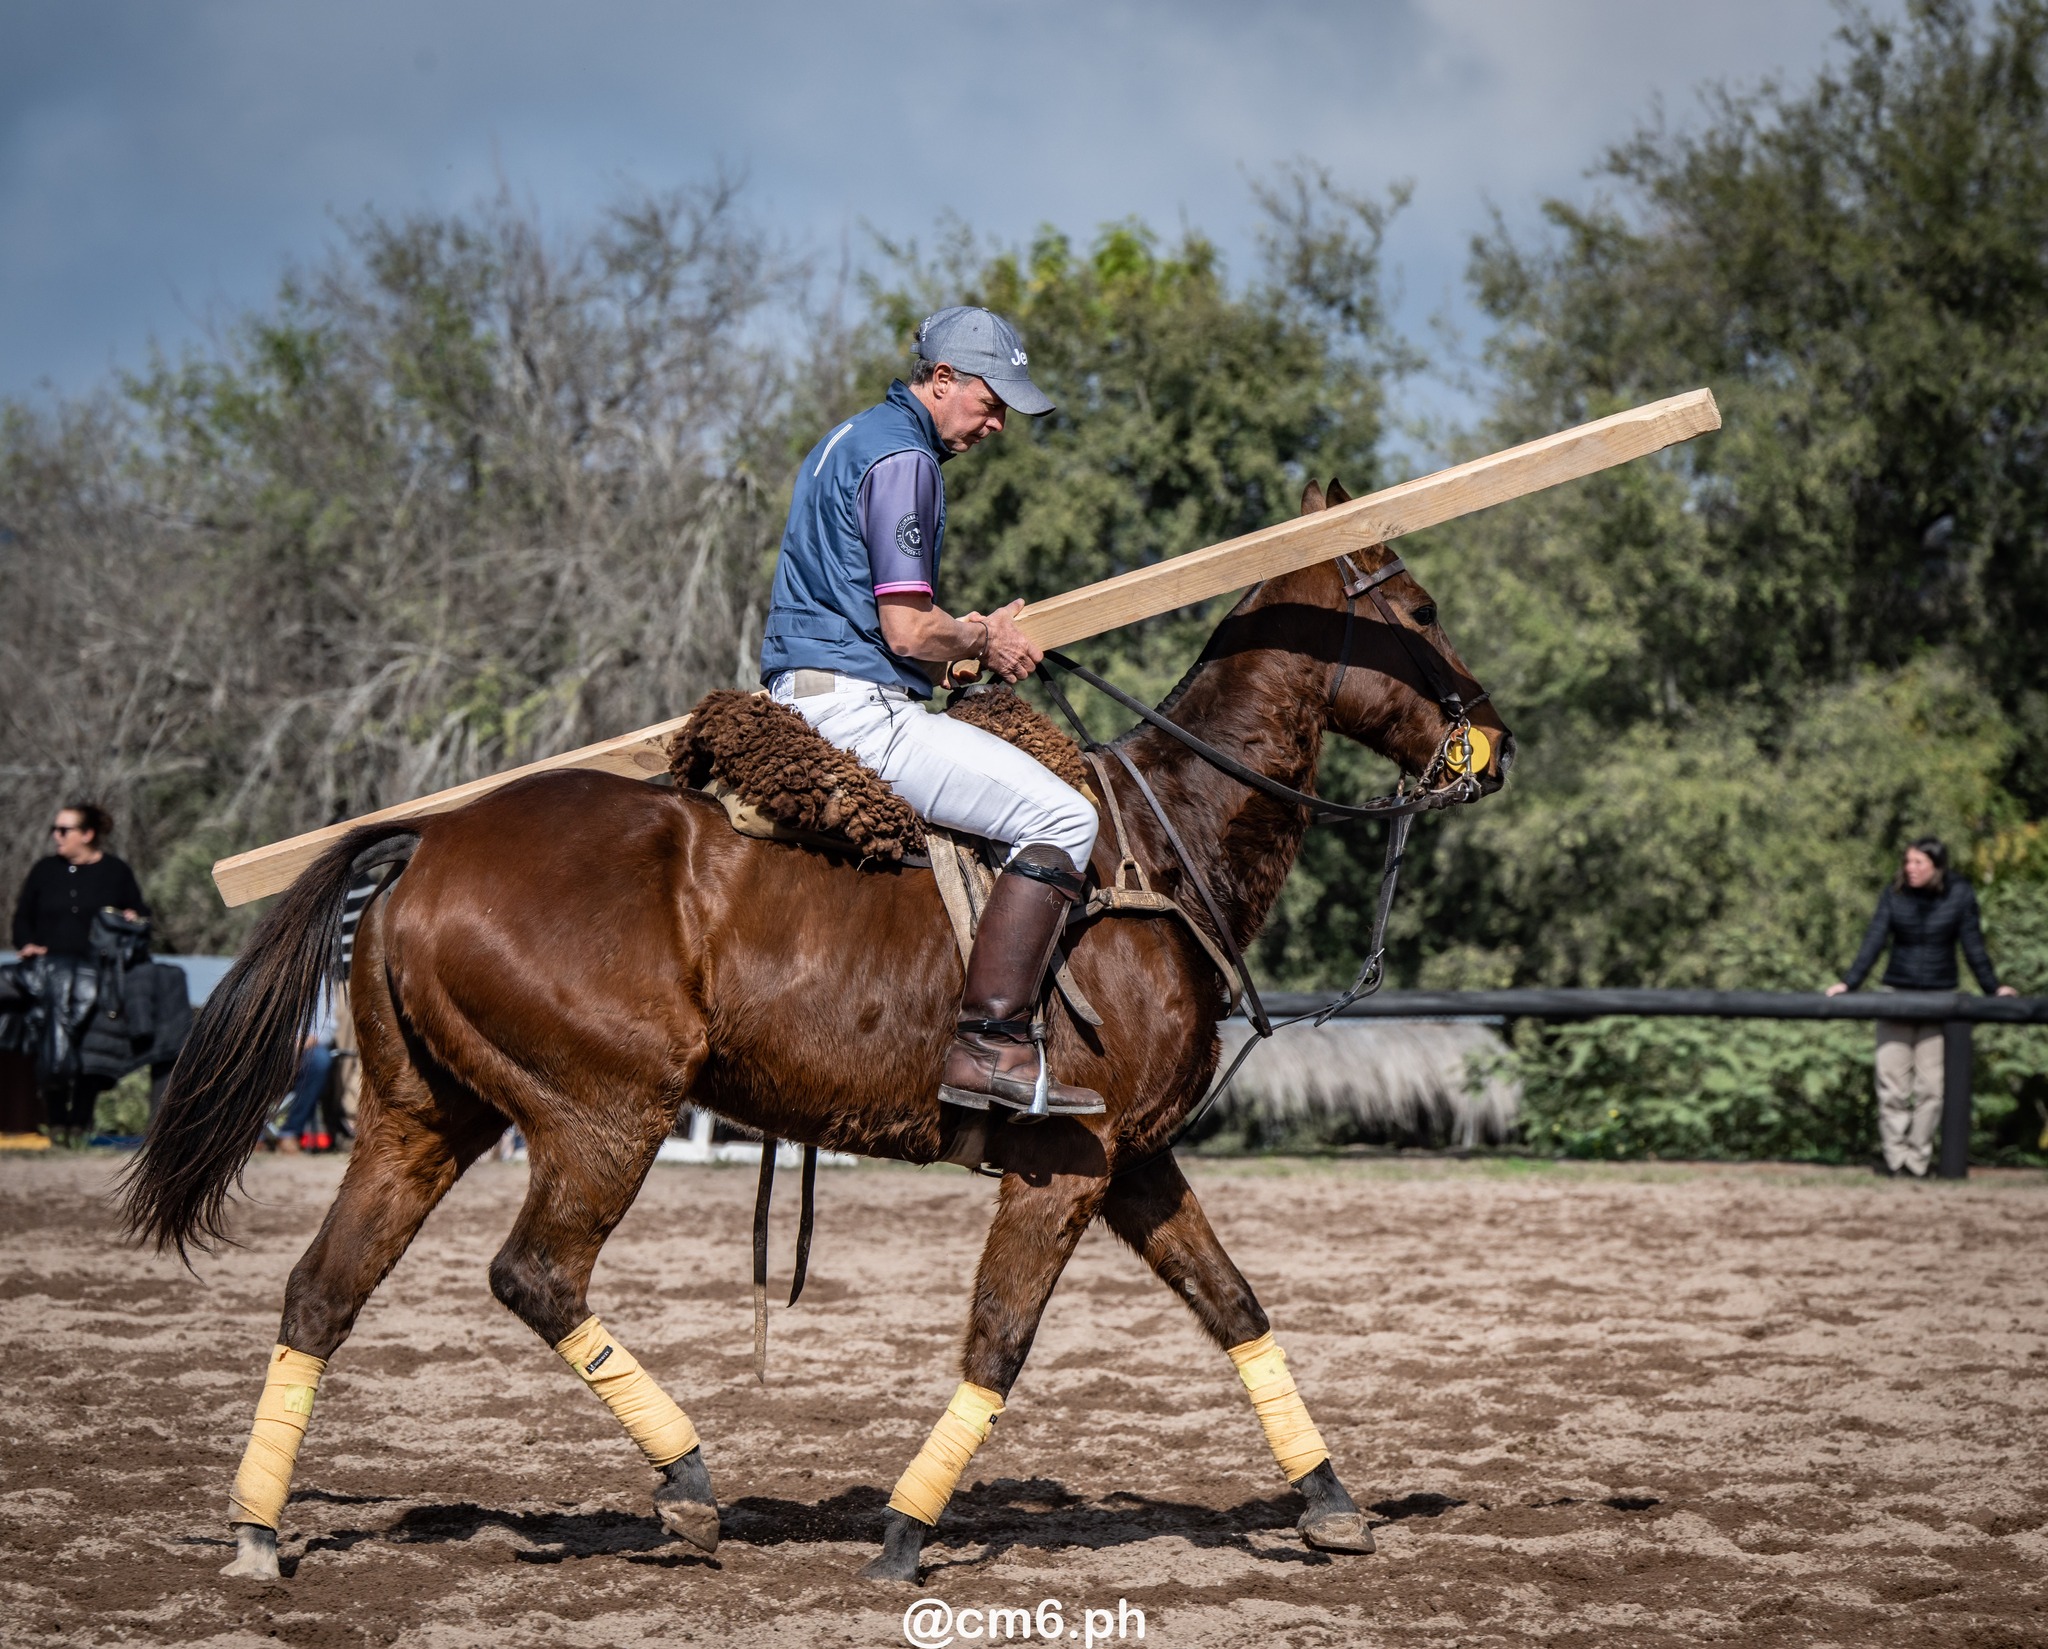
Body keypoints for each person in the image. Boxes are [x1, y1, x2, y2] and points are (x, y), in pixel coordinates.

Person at [759, 306, 1102, 1117]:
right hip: (855, 713)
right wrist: (982, 633)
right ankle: (989, 1046)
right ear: (941, 379)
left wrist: (956, 652)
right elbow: (910, 627)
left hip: (815, 688)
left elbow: (871, 618)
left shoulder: (852, 436)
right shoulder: (905, 457)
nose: (996, 426)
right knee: (1066, 818)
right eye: (991, 403)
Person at [1825, 837, 2017, 1177]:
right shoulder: (1894, 893)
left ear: (1937, 866)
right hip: (1896, 995)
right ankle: (1895, 1159)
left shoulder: (1959, 894)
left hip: (1940, 1000)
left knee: (1931, 1088)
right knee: (1892, 1084)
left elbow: (1973, 944)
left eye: (1918, 863)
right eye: (1907, 862)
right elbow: (1875, 938)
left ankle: (1917, 1161)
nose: (1910, 869)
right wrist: (1849, 982)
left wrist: (1993, 987)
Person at [10, 801, 149, 1144]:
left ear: (87, 834)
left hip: (98, 975)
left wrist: (132, 919)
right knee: (52, 1047)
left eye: (64, 830)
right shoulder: (45, 870)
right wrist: (27, 944)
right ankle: (56, 1123)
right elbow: (22, 917)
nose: (56, 836)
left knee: (91, 1048)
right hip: (49, 976)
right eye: (54, 829)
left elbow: (140, 914)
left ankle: (80, 1123)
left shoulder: (115, 871)